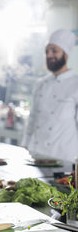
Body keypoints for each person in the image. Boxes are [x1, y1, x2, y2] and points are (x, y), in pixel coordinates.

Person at [22, 29, 77, 162]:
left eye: (54, 51)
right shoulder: (41, 84)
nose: (49, 55)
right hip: (36, 156)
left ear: (66, 54)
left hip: (63, 160)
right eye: (47, 51)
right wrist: (24, 146)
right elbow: (32, 120)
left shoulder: (76, 83)